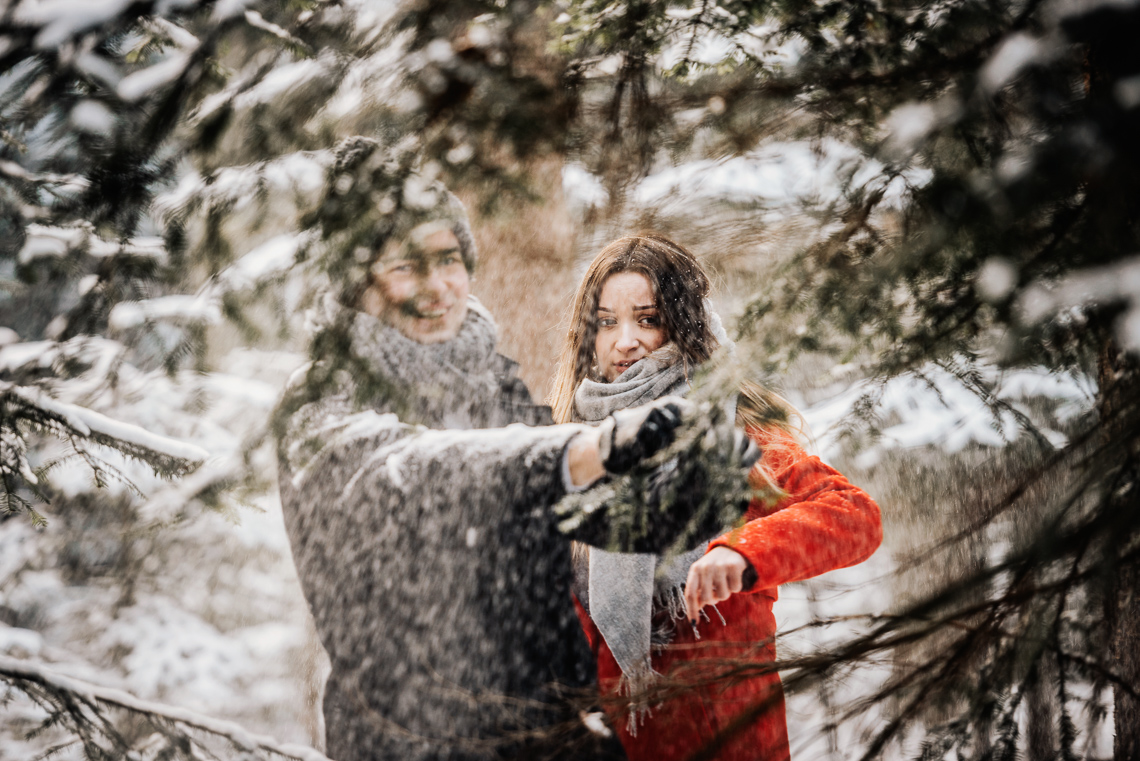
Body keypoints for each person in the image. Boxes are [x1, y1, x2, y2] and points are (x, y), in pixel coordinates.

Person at [274, 173, 724, 761]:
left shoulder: (494, 384)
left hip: (554, 735)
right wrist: (574, 455)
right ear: (357, 282)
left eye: (447, 259)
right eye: (405, 266)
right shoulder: (324, 401)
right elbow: (413, 473)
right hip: (412, 738)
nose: (437, 285)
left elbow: (574, 547)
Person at [549, 233, 883, 761]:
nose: (625, 341)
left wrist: (741, 552)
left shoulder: (737, 440)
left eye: (647, 319)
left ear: (684, 326)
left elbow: (854, 516)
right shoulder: (573, 455)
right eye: (607, 321)